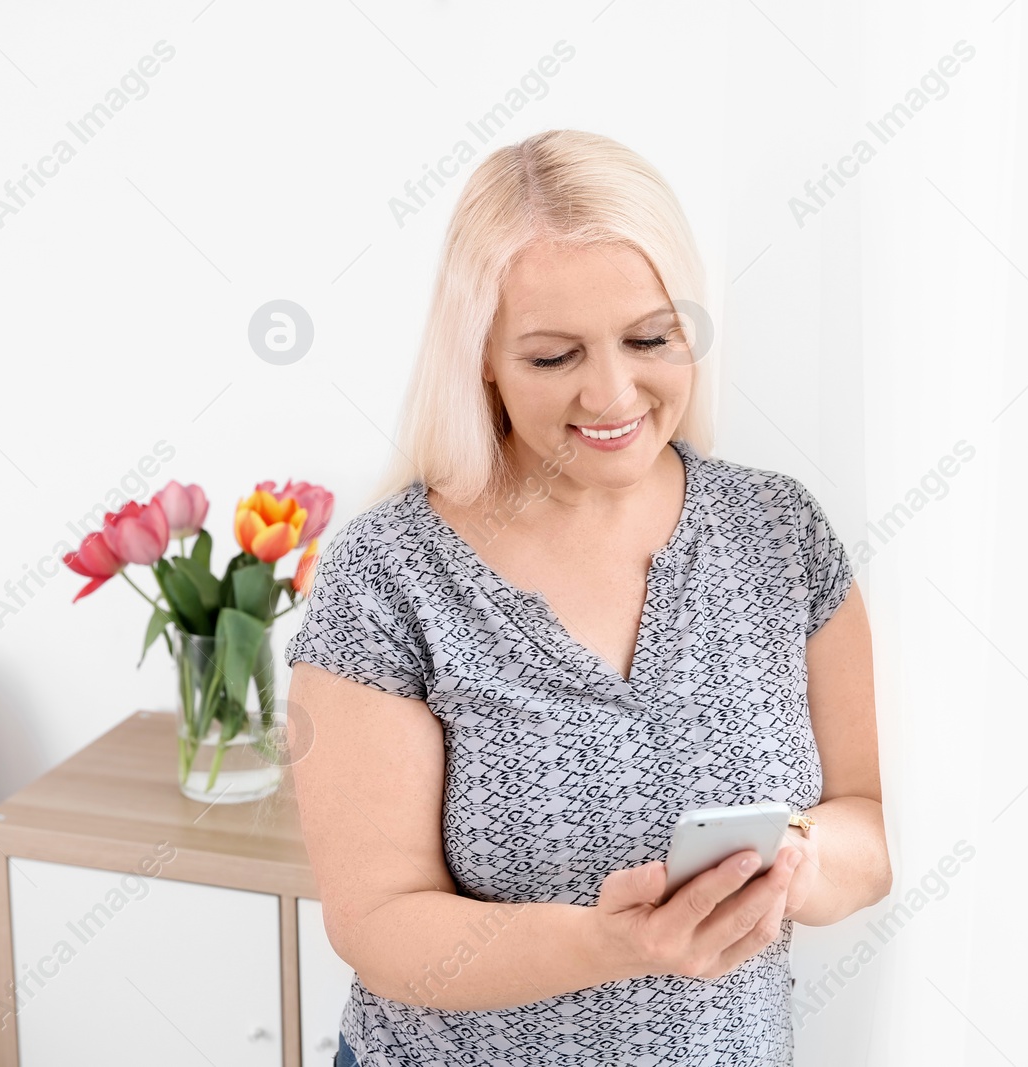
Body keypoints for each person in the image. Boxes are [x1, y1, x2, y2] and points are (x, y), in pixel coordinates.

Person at [286, 128, 890, 1067]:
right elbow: (378, 923)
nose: (613, 394)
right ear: (480, 355)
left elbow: (872, 815)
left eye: (651, 338)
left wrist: (798, 861)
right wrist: (612, 945)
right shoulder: (389, 573)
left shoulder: (779, 531)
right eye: (554, 356)